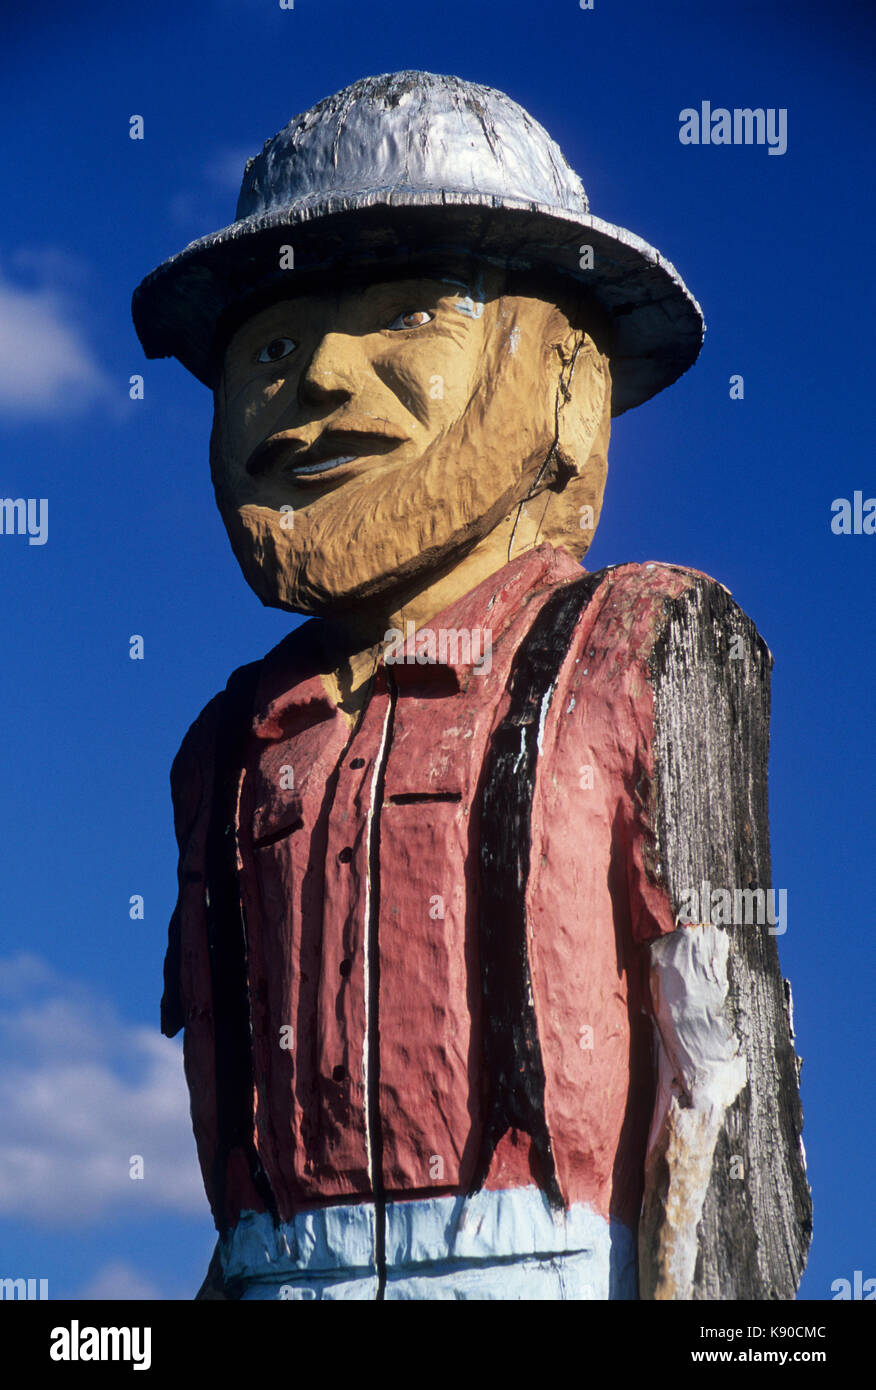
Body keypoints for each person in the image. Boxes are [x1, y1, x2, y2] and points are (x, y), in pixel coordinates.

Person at [133, 71, 811, 1300]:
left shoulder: (642, 640)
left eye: (409, 319)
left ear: (570, 382)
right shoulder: (225, 740)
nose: (322, 379)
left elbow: (726, 1057)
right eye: (272, 347)